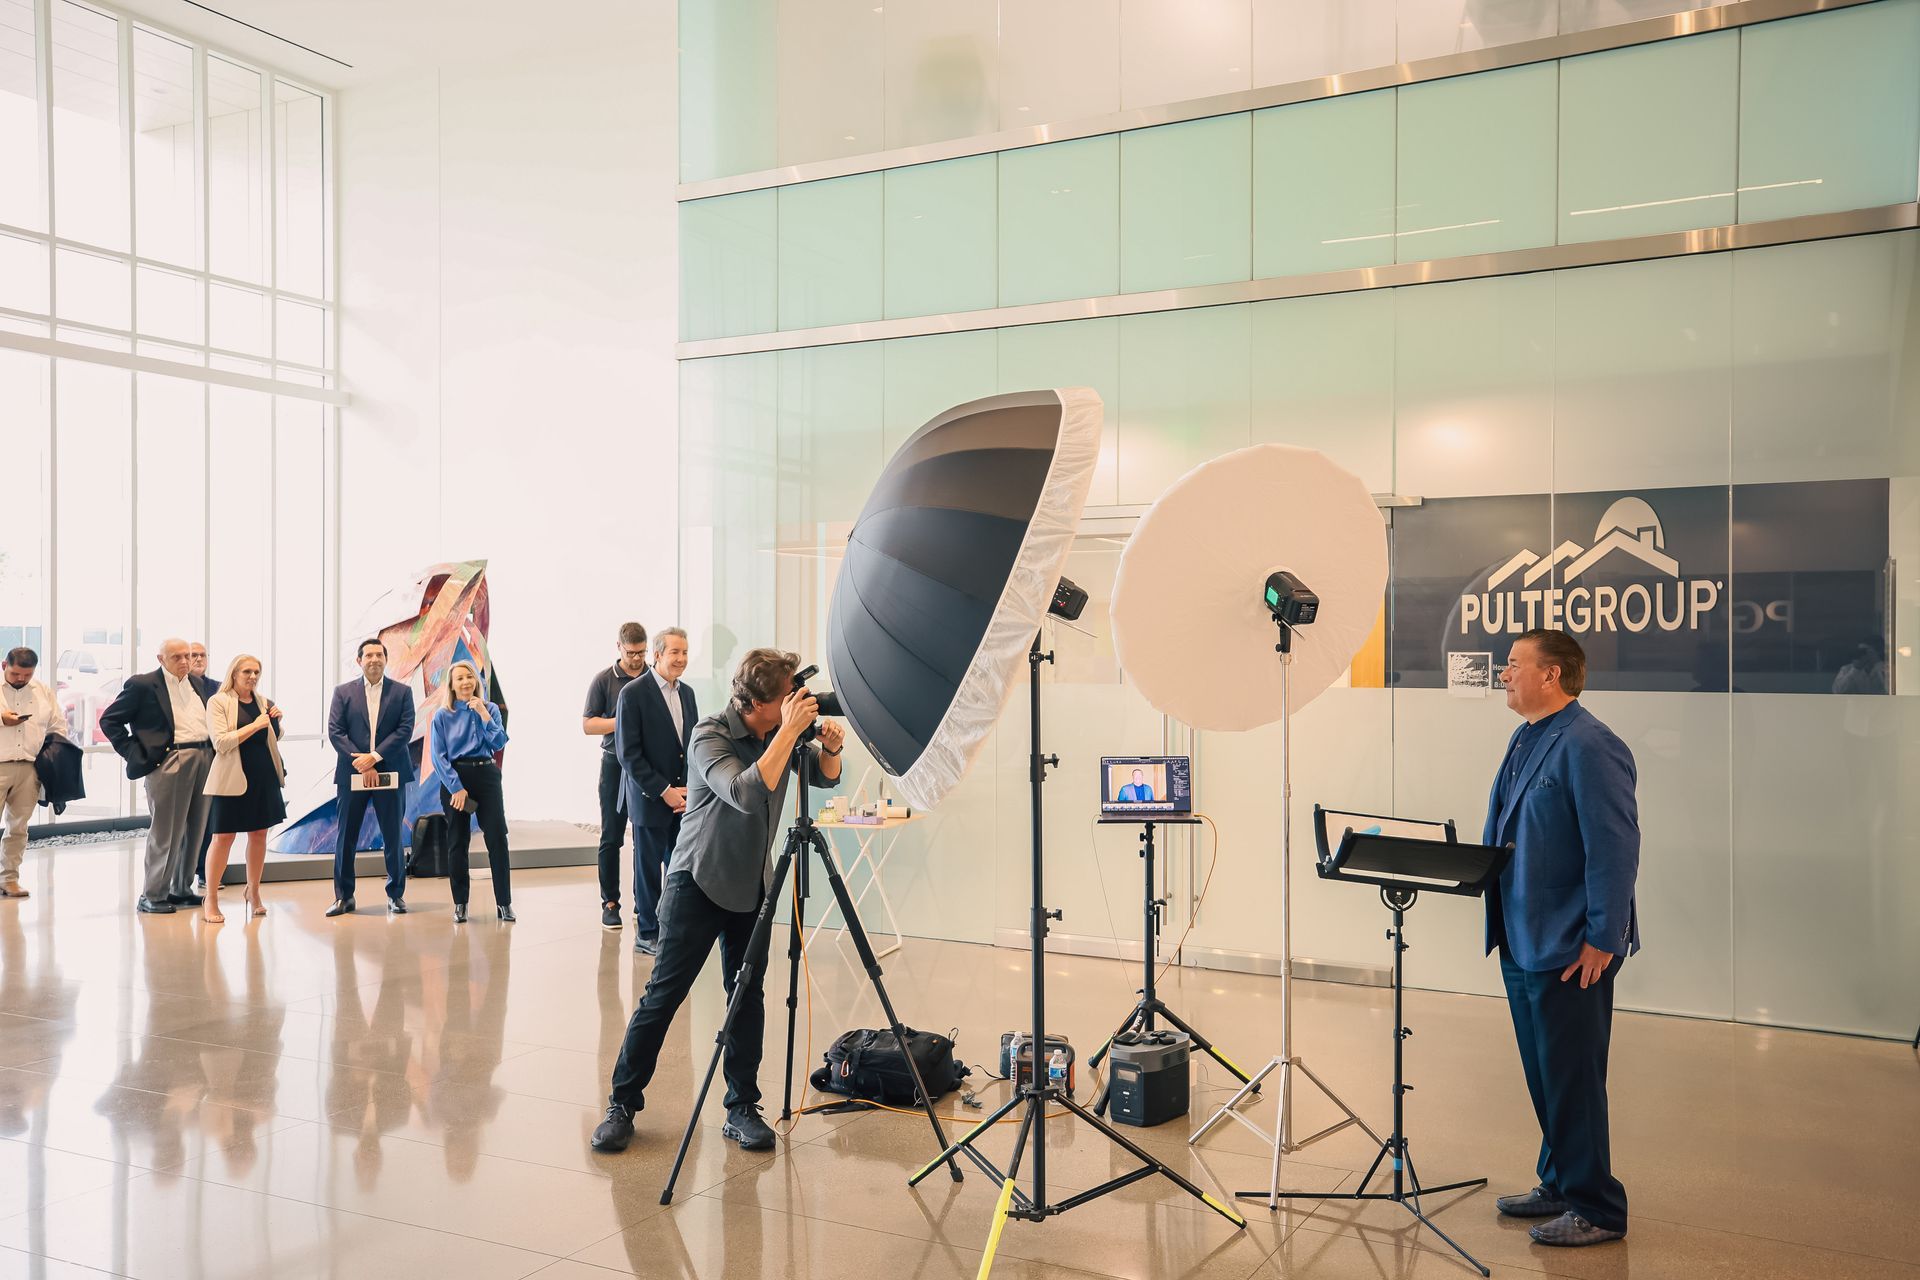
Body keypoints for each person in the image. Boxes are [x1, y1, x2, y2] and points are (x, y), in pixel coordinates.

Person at [592, 648, 843, 1156]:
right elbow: (746, 791)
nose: (796, 703)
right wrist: (791, 734)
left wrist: (830, 749)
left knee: (746, 995)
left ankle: (741, 1106)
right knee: (664, 994)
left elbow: (822, 775)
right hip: (697, 883)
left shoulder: (778, 733)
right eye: (785, 698)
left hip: (751, 885)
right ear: (755, 703)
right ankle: (622, 1104)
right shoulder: (709, 735)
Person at [1485, 629, 1639, 1248]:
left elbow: (1615, 847)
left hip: (1573, 944)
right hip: (1522, 937)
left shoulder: (1591, 744)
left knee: (1573, 1077)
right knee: (1546, 1073)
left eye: (1514, 665)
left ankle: (1597, 1205)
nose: (1504, 674)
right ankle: (1558, 1180)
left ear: (1551, 675)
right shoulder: (1528, 737)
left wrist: (1604, 935)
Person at [100, 638, 217, 914]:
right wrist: (134, 752)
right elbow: (110, 720)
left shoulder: (197, 683)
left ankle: (181, 888)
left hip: (203, 756)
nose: (186, 662)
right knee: (166, 830)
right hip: (170, 759)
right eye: (177, 657)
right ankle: (152, 893)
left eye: (188, 656)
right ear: (161, 658)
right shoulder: (143, 684)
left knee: (196, 827)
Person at [615, 627, 695, 954]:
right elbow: (628, 753)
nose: (681, 659)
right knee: (648, 873)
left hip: (683, 800)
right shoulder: (633, 694)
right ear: (658, 654)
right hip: (650, 799)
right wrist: (665, 790)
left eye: (685, 653)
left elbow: (691, 746)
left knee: (678, 870)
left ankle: (673, 930)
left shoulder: (687, 693)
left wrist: (689, 789)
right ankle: (646, 933)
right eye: (675, 652)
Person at [324, 639, 416, 917]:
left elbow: (404, 730)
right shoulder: (343, 692)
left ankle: (396, 895)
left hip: (390, 771)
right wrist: (362, 762)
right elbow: (335, 731)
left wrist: (374, 758)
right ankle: (344, 897)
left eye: (379, 654)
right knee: (346, 837)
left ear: (386, 659)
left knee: (392, 836)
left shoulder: (402, 692)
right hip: (352, 773)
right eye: (369, 655)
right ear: (359, 661)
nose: (374, 659)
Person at [202, 654, 286, 924]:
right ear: (234, 673)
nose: (252, 677)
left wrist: (276, 722)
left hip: (263, 777)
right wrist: (255, 725)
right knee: (223, 838)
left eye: (256, 672)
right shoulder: (218, 702)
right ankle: (211, 898)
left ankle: (254, 891)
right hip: (232, 779)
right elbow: (221, 742)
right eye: (247, 671)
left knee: (259, 834)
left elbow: (270, 736)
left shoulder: (263, 702)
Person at [429, 660, 512, 923]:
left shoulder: (489, 709)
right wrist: (457, 788)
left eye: (469, 677)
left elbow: (498, 743)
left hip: (487, 775)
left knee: (498, 838)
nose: (466, 682)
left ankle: (504, 904)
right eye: (459, 679)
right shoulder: (443, 715)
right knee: (457, 841)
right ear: (451, 686)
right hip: (457, 778)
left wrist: (485, 716)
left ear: (476, 681)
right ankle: (461, 903)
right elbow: (438, 757)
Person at [582, 623, 649, 929]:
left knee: (645, 836)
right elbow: (588, 725)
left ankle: (645, 902)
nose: (637, 659)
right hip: (614, 764)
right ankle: (610, 903)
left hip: (647, 765)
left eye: (642, 652)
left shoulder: (653, 677)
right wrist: (622, 720)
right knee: (611, 836)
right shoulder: (604, 680)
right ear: (619, 648)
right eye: (631, 653)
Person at [0, 648, 68, 900]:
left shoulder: (41, 690)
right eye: (16, 672)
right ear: (4, 664)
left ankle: (9, 879)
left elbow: (58, 724)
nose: (21, 678)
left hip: (29, 767)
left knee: (18, 827)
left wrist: (54, 754)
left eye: (27, 675)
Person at [189, 640, 214, 894]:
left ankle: (205, 872)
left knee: (209, 821)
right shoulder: (176, 688)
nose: (198, 659)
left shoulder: (217, 689)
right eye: (192, 655)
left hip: (212, 761)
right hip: (180, 762)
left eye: (202, 655)